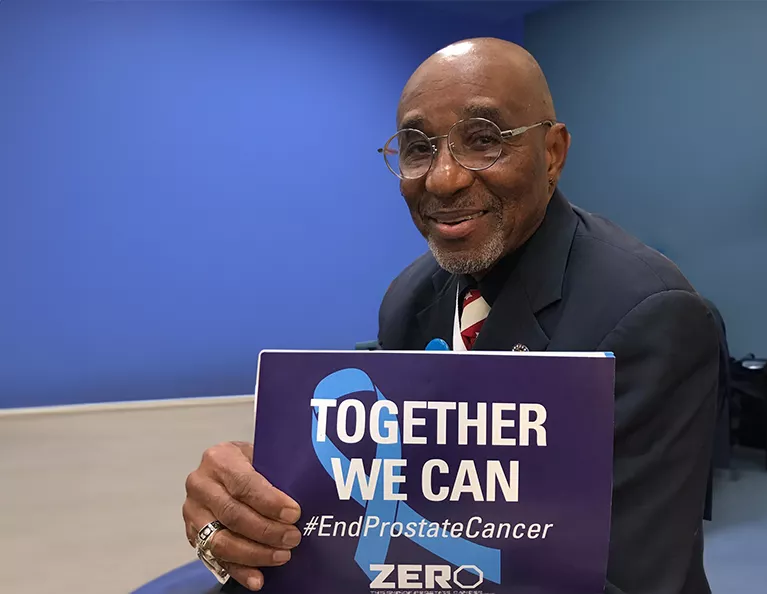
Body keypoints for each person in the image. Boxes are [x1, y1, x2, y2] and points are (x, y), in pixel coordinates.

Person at [183, 38, 720, 594]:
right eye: (417, 149)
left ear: (553, 152)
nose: (442, 179)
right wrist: (247, 504)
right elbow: (372, 488)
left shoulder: (649, 316)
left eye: (484, 140)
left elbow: (627, 580)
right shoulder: (412, 297)